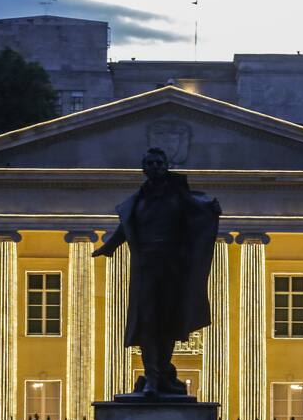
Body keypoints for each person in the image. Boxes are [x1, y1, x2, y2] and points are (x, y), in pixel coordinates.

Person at [93, 147, 221, 397]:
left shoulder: (178, 197)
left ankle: (160, 372)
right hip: (146, 269)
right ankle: (152, 378)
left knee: (169, 323)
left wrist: (210, 207)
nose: (154, 167)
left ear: (166, 167)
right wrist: (108, 247)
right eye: (150, 163)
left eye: (159, 163)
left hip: (172, 268)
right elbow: (126, 227)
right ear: (144, 169)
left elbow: (199, 211)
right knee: (147, 322)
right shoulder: (138, 201)